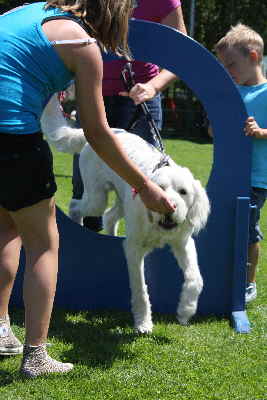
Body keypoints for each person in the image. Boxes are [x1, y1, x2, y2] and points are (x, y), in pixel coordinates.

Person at [0, 0, 176, 378]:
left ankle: (0, 330)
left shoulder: (26, 12)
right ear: (112, 15)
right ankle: (36, 356)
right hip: (12, 139)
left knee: (5, 228)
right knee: (43, 244)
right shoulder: (83, 46)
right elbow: (97, 134)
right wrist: (144, 187)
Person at [70, 0, 187, 231]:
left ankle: (144, 255)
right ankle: (89, 252)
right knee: (86, 185)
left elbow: (182, 53)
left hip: (141, 101)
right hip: (93, 97)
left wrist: (153, 86)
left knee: (155, 182)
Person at [214, 23, 267, 303]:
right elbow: (216, 129)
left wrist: (261, 132)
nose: (228, 71)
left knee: (247, 230)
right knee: (222, 224)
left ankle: (249, 282)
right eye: (224, 65)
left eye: (232, 64)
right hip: (228, 174)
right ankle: (225, 275)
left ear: (254, 57)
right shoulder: (233, 92)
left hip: (257, 178)